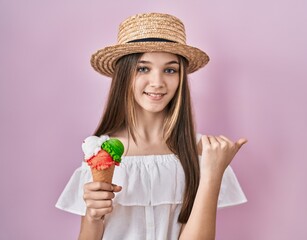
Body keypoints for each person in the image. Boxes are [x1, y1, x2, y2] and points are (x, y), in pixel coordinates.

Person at [56, 12, 247, 240]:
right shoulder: (100, 152)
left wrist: (212, 173)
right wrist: (92, 216)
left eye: (170, 70)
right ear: (125, 75)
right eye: (143, 68)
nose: (157, 83)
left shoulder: (199, 151)